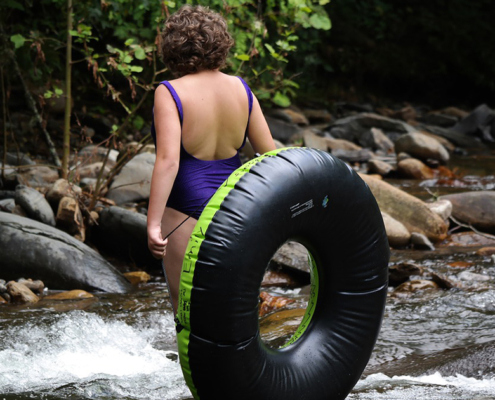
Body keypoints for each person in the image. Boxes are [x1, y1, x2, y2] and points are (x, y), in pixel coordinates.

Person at [147, 5, 275, 314]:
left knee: (188, 313)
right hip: (237, 211)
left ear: (172, 47)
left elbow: (168, 162)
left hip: (185, 213)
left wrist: (152, 224)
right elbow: (271, 157)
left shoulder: (170, 92)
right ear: (221, 43)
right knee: (233, 310)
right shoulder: (242, 89)